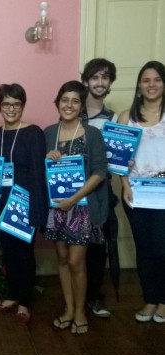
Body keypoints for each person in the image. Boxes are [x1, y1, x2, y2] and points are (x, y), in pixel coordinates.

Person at [44, 80, 108, 334]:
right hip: (56, 207)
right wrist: (47, 158)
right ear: (57, 103)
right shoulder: (49, 133)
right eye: (64, 100)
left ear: (81, 106)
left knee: (75, 262)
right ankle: (69, 309)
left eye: (75, 101)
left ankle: (80, 311)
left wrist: (75, 198)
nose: (69, 105)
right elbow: (42, 171)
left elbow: (100, 171)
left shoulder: (92, 134)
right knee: (61, 259)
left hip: (82, 207)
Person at [0, 84, 48, 325]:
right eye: (6, 104)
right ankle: (12, 295)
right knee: (8, 251)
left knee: (24, 252)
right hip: (1, 204)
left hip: (25, 203)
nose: (11, 109)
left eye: (16, 104)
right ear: (0, 106)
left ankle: (24, 301)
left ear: (23, 106)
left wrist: (37, 209)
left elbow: (37, 172)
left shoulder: (33, 133)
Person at [118, 61, 165, 324]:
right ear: (139, 85)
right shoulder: (127, 117)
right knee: (144, 249)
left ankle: (164, 301)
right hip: (136, 193)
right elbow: (119, 159)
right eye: (146, 80)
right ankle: (150, 300)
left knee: (162, 247)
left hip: (164, 195)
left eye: (157, 79)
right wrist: (125, 185)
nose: (151, 84)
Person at [80, 58, 120, 318]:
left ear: (110, 82)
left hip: (101, 192)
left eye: (104, 77)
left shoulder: (114, 119)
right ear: (86, 80)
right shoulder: (72, 109)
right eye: (94, 77)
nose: (99, 82)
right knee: (75, 247)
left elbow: (116, 161)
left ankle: (94, 296)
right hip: (73, 192)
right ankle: (75, 297)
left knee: (98, 247)